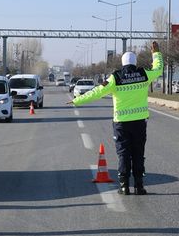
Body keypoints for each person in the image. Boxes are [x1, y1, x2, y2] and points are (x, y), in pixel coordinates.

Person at [69, 42, 163, 195]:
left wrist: (76, 100)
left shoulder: (115, 77)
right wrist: (156, 54)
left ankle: (124, 186)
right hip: (139, 122)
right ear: (135, 62)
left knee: (123, 154)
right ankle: (139, 186)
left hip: (121, 124)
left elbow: (97, 92)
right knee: (138, 153)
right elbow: (158, 69)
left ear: (122, 63)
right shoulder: (143, 74)